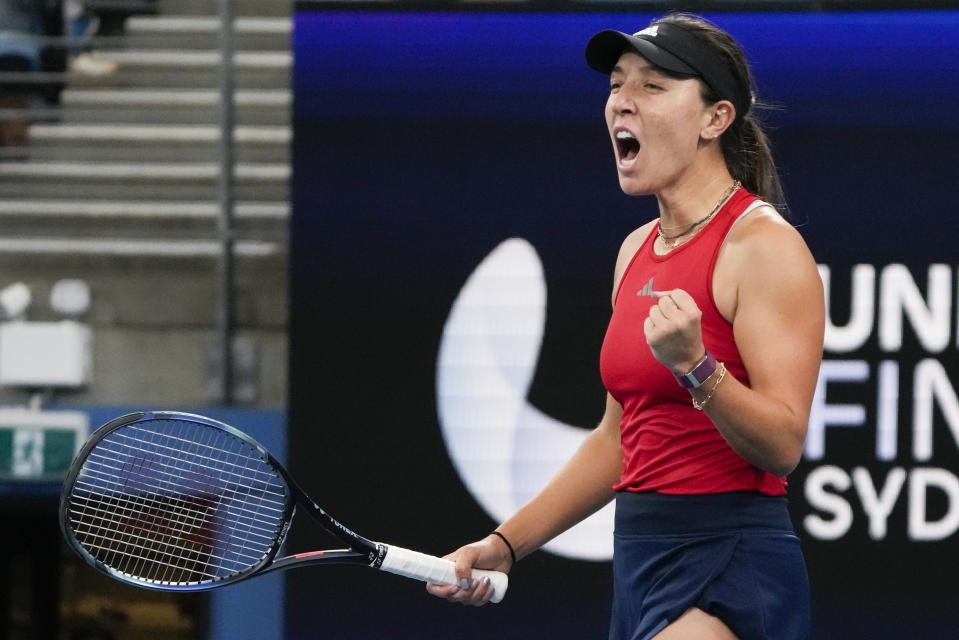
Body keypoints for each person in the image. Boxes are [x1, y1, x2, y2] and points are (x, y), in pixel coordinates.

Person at [426, 13, 824, 640]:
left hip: (728, 567)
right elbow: (615, 443)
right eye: (616, 85)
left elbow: (782, 445)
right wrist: (505, 545)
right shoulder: (636, 250)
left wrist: (697, 368)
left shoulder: (764, 247)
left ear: (714, 119)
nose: (622, 103)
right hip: (640, 564)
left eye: (652, 86)